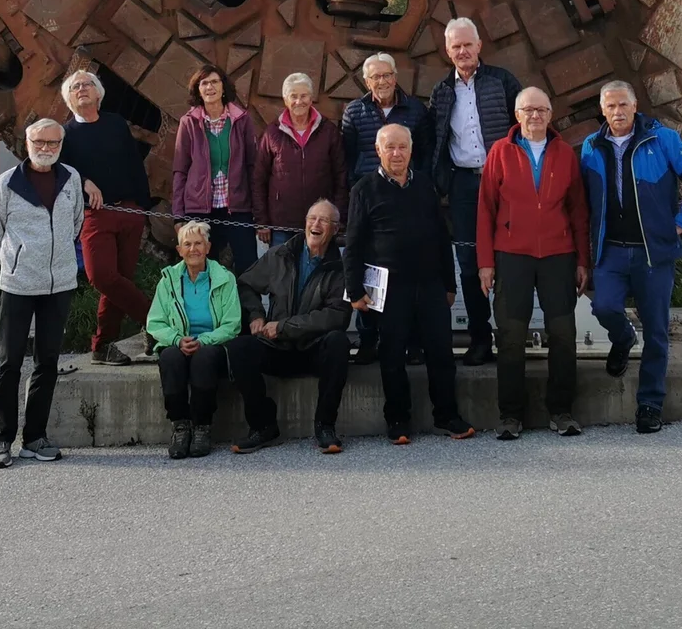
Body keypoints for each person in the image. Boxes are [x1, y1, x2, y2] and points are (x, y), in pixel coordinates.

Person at [579, 81, 682, 434]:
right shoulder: (591, 148)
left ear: (635, 105)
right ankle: (623, 338)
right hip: (610, 250)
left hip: (652, 252)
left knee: (656, 330)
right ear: (602, 109)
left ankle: (650, 405)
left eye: (623, 104)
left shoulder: (662, 139)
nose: (618, 112)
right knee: (604, 307)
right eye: (610, 106)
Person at [345, 122, 477, 444]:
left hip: (431, 285)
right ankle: (398, 420)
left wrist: (449, 284)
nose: (396, 153)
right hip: (389, 290)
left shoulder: (425, 187)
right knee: (391, 356)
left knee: (441, 354)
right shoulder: (363, 189)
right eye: (389, 147)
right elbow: (354, 245)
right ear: (378, 151)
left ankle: (447, 415)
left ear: (411, 150)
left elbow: (442, 239)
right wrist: (355, 290)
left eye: (402, 146)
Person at [477, 87, 590, 440]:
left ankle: (562, 412)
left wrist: (582, 259)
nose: (535, 116)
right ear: (517, 115)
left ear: (551, 115)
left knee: (563, 334)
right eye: (528, 110)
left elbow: (578, 211)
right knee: (511, 336)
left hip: (558, 254)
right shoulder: (500, 152)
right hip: (512, 255)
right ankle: (510, 415)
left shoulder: (564, 154)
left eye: (541, 110)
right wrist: (485, 261)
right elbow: (485, 210)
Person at [0, 118, 85, 468]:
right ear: (27, 143)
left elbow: (76, 224)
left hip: (59, 284)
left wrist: (56, 262)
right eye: (39, 142)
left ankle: (35, 437)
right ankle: (2, 439)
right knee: (9, 362)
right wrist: (17, 263)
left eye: (53, 142)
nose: (46, 148)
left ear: (61, 145)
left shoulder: (71, 179)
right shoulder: (7, 183)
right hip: (19, 285)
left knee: (48, 362)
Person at [427, 17, 523, 364]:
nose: (463, 51)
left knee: (511, 258)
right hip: (464, 183)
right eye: (456, 46)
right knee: (469, 262)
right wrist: (443, 182)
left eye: (468, 44)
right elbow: (436, 139)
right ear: (447, 51)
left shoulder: (502, 81)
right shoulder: (442, 92)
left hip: (504, 179)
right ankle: (480, 339)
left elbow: (523, 127)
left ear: (479, 46)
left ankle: (512, 339)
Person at [226, 199, 353, 455]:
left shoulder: (340, 269)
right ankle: (262, 425)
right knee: (239, 348)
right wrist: (255, 315)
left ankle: (325, 426)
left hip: (312, 349)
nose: (316, 224)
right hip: (276, 348)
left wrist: (283, 326)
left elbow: (337, 316)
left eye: (324, 221)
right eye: (312, 218)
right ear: (305, 223)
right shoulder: (279, 254)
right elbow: (245, 284)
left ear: (336, 229)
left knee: (339, 342)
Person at [339, 53, 431, 362]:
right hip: (368, 196)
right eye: (375, 77)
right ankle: (368, 339)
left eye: (387, 75)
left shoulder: (416, 110)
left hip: (407, 193)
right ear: (366, 81)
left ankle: (415, 341)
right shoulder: (354, 111)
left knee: (413, 268)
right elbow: (349, 156)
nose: (382, 81)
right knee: (368, 268)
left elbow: (424, 152)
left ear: (395, 76)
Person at [59, 68, 153, 365]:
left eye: (88, 84)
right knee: (101, 276)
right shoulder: (65, 134)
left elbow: (134, 164)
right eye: (75, 86)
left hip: (129, 211)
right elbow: (59, 172)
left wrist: (143, 207)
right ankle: (156, 320)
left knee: (119, 282)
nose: (82, 89)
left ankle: (103, 346)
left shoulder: (115, 124)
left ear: (99, 93)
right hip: (95, 216)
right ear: (69, 98)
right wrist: (82, 180)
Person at [145, 219, 244, 459]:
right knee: (169, 358)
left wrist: (205, 340)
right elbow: (155, 322)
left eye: (198, 243)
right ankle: (180, 426)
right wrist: (178, 339)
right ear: (179, 250)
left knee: (204, 358)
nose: (193, 249)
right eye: (187, 244)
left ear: (208, 247)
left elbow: (233, 324)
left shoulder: (224, 278)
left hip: (211, 344)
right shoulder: (168, 280)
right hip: (179, 342)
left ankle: (201, 427)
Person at [170, 64, 261, 274]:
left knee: (248, 267)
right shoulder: (188, 123)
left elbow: (252, 167)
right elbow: (180, 171)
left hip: (237, 207)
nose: (209, 87)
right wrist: (178, 216)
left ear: (223, 87)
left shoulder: (241, 120)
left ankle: (246, 308)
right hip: (199, 209)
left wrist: (258, 211)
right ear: (198, 90)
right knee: (201, 269)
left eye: (214, 82)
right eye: (204, 83)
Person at [253, 72, 344, 249]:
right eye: (293, 96)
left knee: (316, 274)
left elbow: (341, 177)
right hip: (281, 223)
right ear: (285, 100)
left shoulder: (328, 131)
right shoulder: (272, 132)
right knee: (283, 274)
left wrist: (338, 217)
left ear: (311, 98)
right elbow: (259, 179)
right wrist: (261, 221)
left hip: (321, 222)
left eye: (304, 96)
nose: (299, 101)